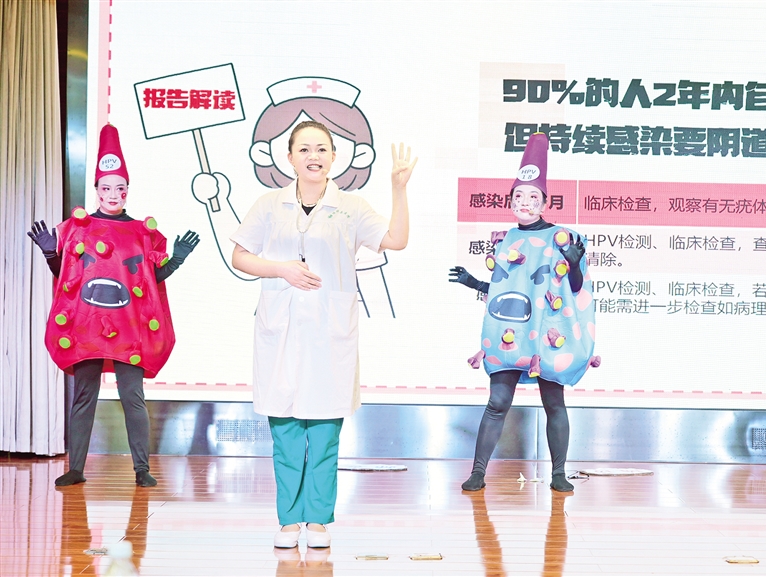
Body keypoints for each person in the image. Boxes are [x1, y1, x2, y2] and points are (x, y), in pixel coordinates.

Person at [230, 120, 416, 548]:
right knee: (286, 434)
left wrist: (398, 188)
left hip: (330, 334)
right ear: (289, 157)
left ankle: (317, 521)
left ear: (334, 156)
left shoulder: (351, 207)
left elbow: (397, 240)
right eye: (304, 149)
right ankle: (288, 522)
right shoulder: (269, 204)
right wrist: (281, 269)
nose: (313, 156)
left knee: (325, 434)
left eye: (321, 149)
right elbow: (241, 256)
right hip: (281, 330)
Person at [28, 123, 199, 488]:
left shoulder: (140, 232)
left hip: (129, 330)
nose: (113, 194)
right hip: (87, 327)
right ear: (97, 190)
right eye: (106, 188)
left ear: (126, 190)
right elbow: (66, 276)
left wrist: (177, 259)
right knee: (84, 396)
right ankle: (76, 468)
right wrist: (49, 253)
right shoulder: (78, 228)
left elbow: (151, 278)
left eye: (119, 188)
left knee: (133, 397)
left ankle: (141, 469)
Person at [450, 132, 598, 493]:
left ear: (545, 202)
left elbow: (574, 288)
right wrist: (473, 282)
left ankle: (559, 473)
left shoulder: (564, 237)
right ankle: (478, 473)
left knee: (553, 401)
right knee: (497, 401)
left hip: (548, 330)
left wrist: (573, 264)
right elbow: (508, 292)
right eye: (519, 196)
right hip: (512, 331)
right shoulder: (507, 240)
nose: (525, 202)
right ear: (510, 201)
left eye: (533, 196)